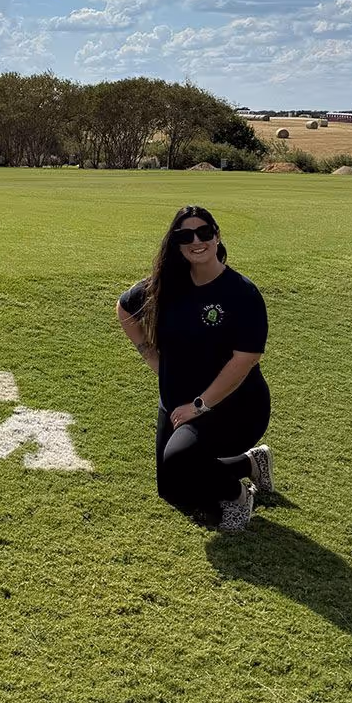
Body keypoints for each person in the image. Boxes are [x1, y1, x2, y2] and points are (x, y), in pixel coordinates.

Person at [116, 205, 274, 532]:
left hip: (232, 406)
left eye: (203, 232)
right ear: (176, 243)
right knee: (171, 487)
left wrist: (199, 406)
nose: (196, 240)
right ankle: (251, 463)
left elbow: (245, 360)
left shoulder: (242, 293)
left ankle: (237, 495)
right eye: (185, 235)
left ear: (217, 236)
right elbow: (125, 308)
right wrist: (149, 354)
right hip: (176, 401)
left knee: (179, 459)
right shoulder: (168, 284)